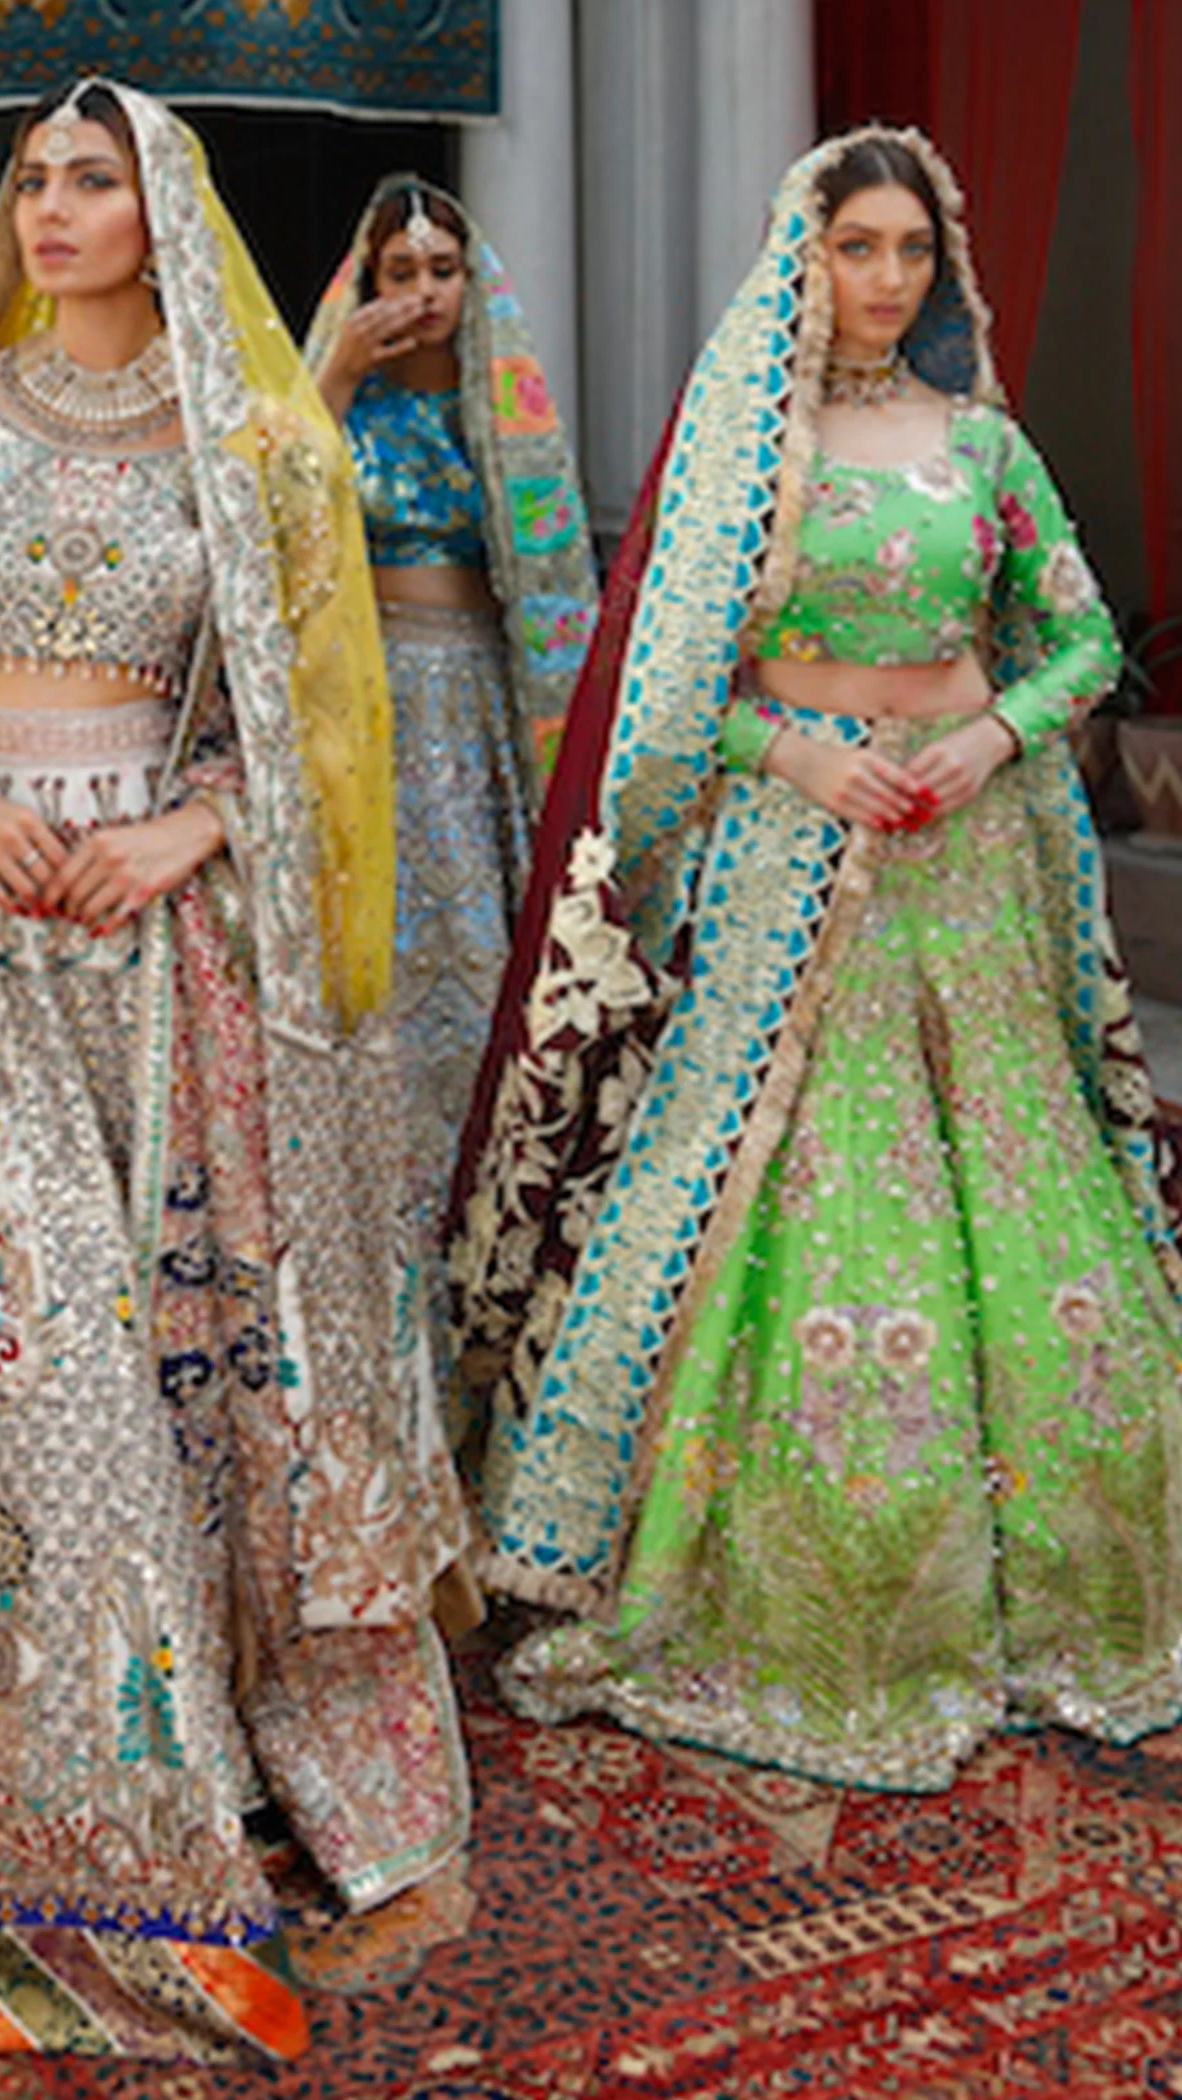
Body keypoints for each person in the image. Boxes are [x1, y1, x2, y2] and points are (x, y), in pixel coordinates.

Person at [0, 81, 472, 2063]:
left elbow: (316, 719)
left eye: (92, 179)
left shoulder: (252, 443)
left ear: (163, 210)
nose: (48, 207)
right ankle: (48, 1797)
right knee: (31, 1369)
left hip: (173, 954)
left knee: (200, 1363)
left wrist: (196, 826)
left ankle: (222, 1717)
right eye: (33, 178)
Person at [448, 126, 1182, 1793]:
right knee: (794, 1182)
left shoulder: (985, 445)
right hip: (798, 863)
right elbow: (666, 694)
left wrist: (992, 738)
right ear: (806, 259)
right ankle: (778, 1585)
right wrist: (795, 755)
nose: (888, 278)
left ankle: (1051, 1592)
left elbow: (1081, 639)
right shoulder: (745, 455)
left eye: (912, 249)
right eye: (859, 247)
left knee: (1012, 1169)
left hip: (967, 860)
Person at [306, 180, 596, 1418]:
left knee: (483, 976)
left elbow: (554, 578)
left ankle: (487, 1276)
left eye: (442, 269)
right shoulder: (338, 402)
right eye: (399, 272)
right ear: (364, 285)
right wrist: (333, 374)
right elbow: (272, 518)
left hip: (475, 714)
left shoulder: (502, 409)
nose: (422, 293)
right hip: (370, 716)